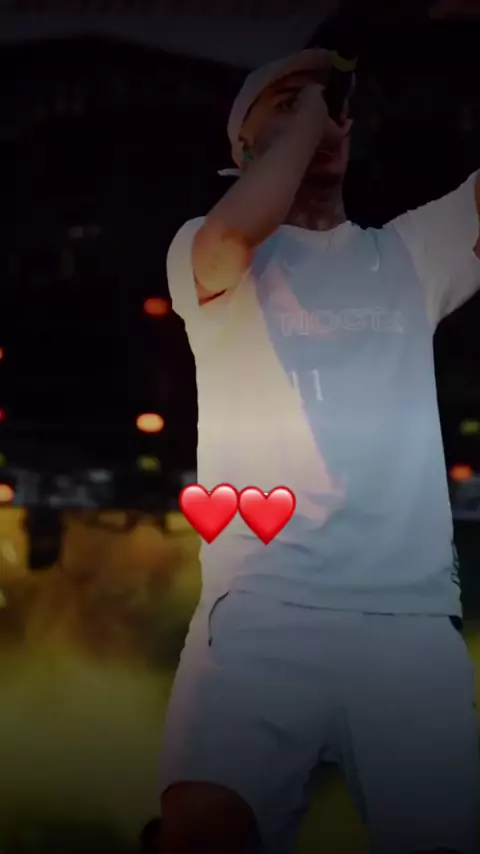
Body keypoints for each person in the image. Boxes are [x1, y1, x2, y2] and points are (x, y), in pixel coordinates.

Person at [159, 48, 480, 854]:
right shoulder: (207, 247)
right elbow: (234, 231)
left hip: (407, 620)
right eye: (287, 103)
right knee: (204, 828)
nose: (321, 118)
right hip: (262, 607)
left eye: (332, 106)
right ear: (243, 149)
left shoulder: (407, 255)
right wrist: (308, 118)